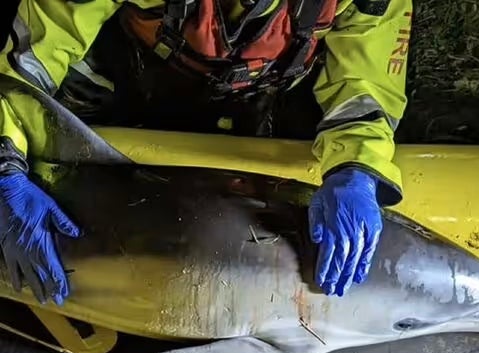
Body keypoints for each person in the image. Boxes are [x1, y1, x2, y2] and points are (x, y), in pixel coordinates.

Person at [0, 0, 412, 305]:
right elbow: (26, 61)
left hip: (260, 81)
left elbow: (365, 87)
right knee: (45, 119)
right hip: (134, 61)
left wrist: (356, 169)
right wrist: (4, 168)